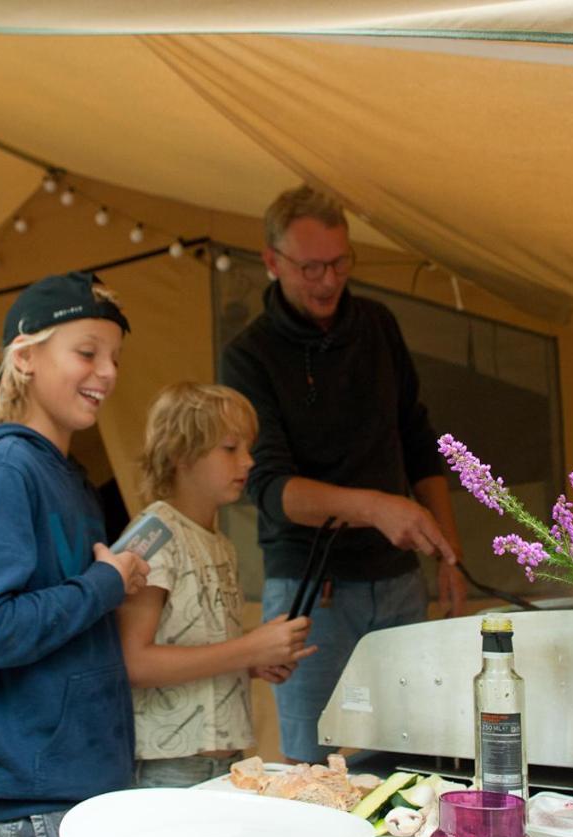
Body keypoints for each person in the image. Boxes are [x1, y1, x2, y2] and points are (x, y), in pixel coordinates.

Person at [220, 185, 467, 764]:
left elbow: (417, 440)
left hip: (398, 580)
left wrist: (449, 554)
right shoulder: (250, 355)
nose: (328, 281)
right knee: (314, 763)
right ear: (272, 261)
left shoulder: (378, 325)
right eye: (310, 267)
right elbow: (273, 491)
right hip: (311, 590)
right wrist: (379, 507)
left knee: (418, 752)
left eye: (339, 263)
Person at [0, 271, 150, 837]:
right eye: (86, 352)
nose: (107, 372)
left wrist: (109, 586)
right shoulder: (5, 471)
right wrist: (103, 585)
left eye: (115, 358)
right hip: (24, 807)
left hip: (80, 790)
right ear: (25, 358)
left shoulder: (72, 480)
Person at [117, 382, 315, 787]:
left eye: (248, 448)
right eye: (229, 448)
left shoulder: (220, 542)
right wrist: (248, 647)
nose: (248, 462)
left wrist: (254, 663)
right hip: (171, 766)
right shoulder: (153, 535)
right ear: (179, 454)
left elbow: (199, 647)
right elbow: (132, 662)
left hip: (228, 762)